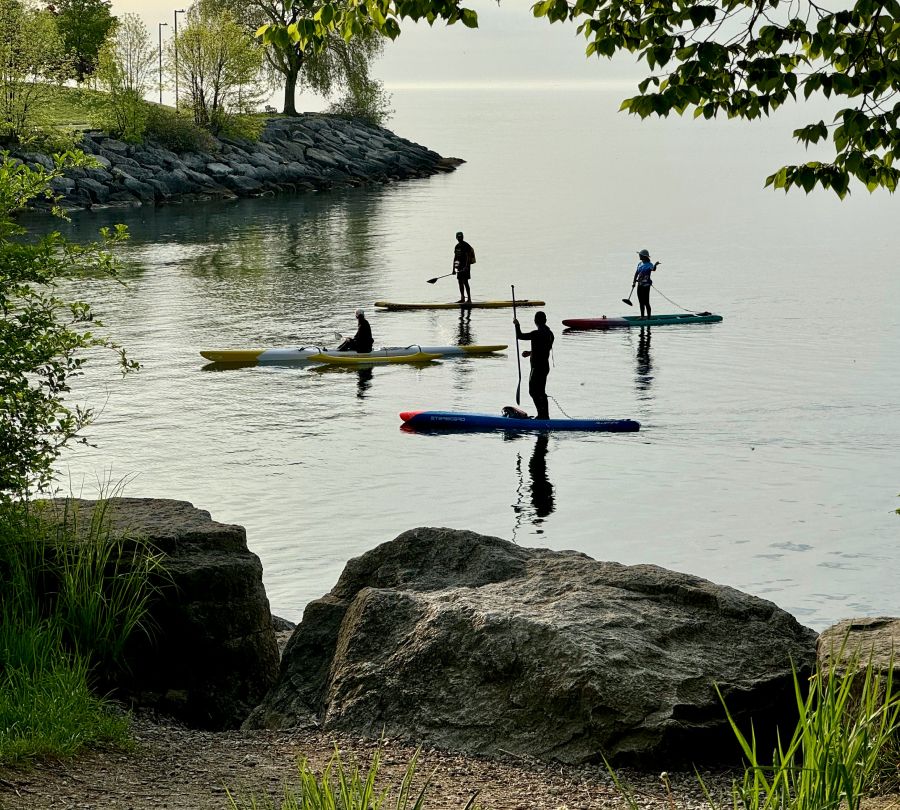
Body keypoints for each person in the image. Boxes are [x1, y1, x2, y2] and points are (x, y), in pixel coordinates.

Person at [513, 310, 554, 420]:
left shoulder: (536, 334)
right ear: (545, 321)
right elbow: (544, 349)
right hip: (545, 367)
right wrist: (530, 353)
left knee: (533, 391)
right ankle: (545, 415)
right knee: (541, 391)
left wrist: (517, 325)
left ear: (535, 321)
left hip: (536, 368)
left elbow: (519, 336)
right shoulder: (550, 334)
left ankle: (541, 415)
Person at [632, 248, 660, 319]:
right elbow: (636, 273)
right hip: (639, 285)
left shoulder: (649, 264)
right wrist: (634, 282)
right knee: (641, 301)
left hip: (646, 285)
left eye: (640, 255)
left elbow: (653, 269)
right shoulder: (639, 264)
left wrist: (655, 265)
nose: (639, 256)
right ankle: (642, 316)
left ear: (644, 256)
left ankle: (649, 317)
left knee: (646, 302)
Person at [452, 231, 476, 303]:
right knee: (460, 282)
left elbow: (468, 257)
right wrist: (454, 269)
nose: (460, 238)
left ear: (463, 237)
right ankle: (462, 298)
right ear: (456, 238)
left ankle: (469, 299)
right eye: (458, 237)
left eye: (461, 237)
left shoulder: (466, 245)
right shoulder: (457, 246)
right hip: (459, 267)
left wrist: (466, 267)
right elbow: (456, 258)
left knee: (465, 282)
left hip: (466, 267)